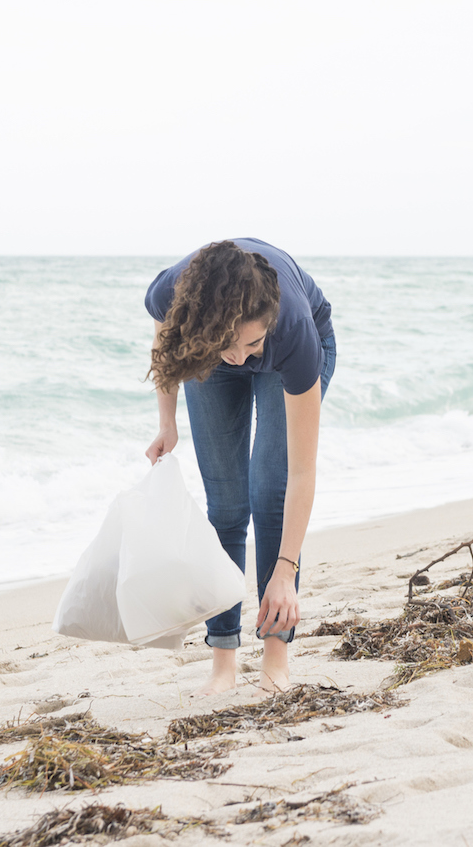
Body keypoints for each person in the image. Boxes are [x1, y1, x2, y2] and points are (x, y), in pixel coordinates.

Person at [144, 238, 335, 696]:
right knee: (227, 505)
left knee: (269, 491)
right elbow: (165, 343)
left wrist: (285, 572)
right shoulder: (173, 291)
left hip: (285, 355)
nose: (239, 358)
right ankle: (223, 661)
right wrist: (167, 422)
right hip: (205, 348)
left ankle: (275, 659)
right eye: (229, 344)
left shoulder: (292, 332)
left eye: (250, 343)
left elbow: (302, 473)